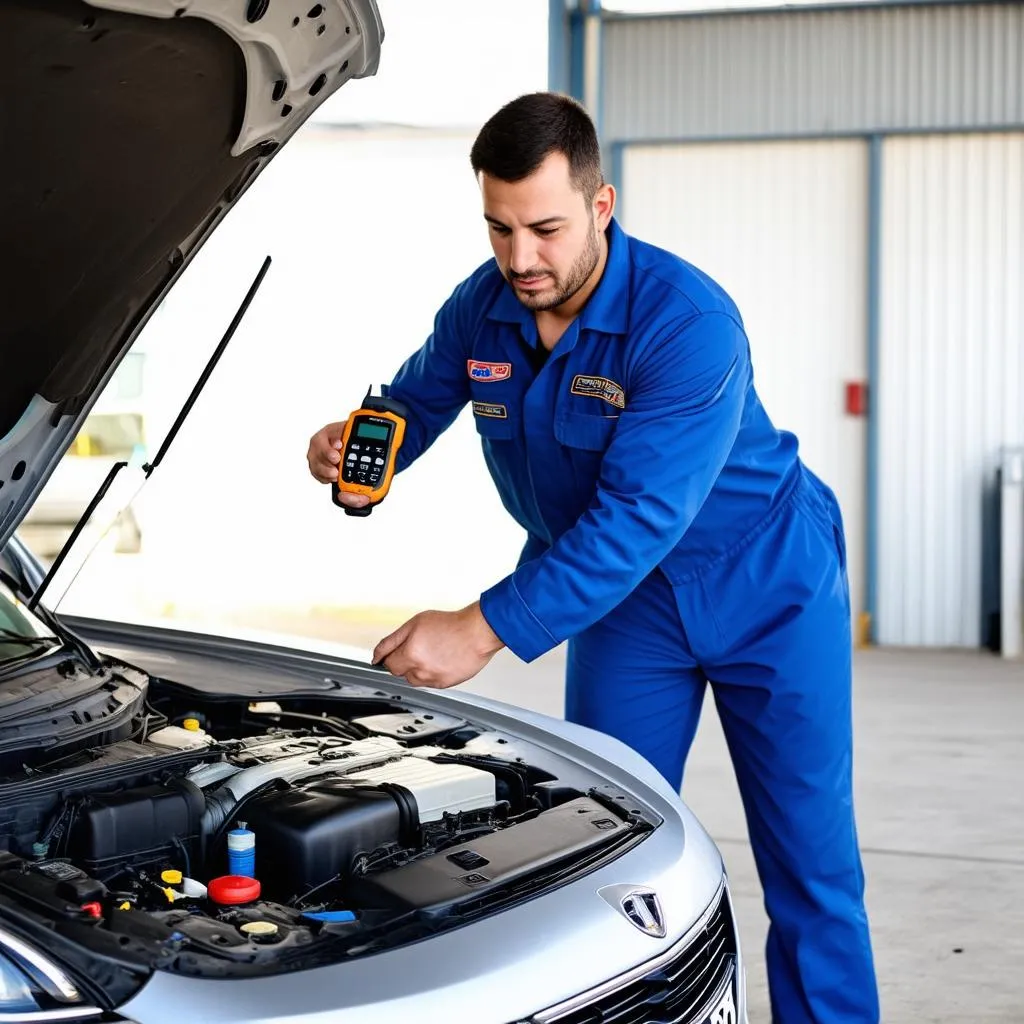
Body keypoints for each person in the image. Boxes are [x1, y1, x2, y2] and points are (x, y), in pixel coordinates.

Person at [306, 92, 879, 1023]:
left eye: (545, 229)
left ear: (601, 207)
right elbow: (414, 403)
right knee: (611, 849)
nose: (520, 259)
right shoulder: (482, 307)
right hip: (625, 606)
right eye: (498, 229)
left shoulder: (688, 323)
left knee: (810, 865)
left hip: (767, 581)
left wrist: (483, 626)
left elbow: (641, 515)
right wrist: (356, 448)